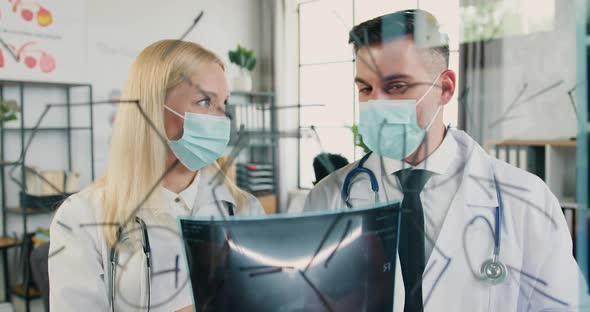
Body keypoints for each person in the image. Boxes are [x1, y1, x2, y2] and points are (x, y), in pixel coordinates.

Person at [304, 9, 584, 311]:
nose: (376, 104)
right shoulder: (328, 199)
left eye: (396, 87)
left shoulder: (528, 200)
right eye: (365, 88)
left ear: (446, 88)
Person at [49, 40, 264, 311]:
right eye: (205, 101)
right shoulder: (80, 217)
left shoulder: (245, 210)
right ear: (153, 107)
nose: (220, 118)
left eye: (223, 103)